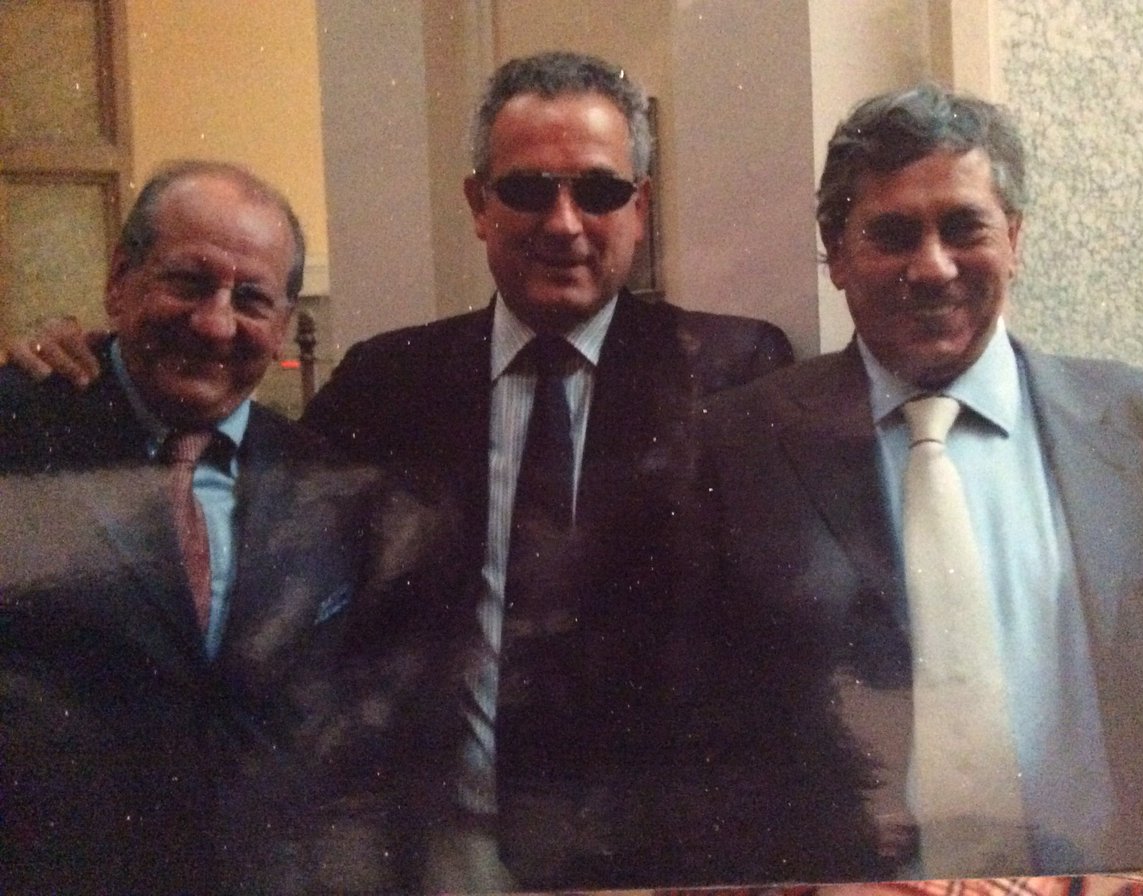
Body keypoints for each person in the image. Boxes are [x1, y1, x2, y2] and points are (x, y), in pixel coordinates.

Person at [5, 53, 794, 890]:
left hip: (661, 859)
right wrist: (82, 357)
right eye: (527, 189)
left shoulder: (731, 371)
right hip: (440, 856)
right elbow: (229, 485)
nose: (563, 223)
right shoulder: (385, 381)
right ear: (478, 205)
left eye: (598, 191)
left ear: (640, 205)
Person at [687, 83, 1143, 883]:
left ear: (1015, 237)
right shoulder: (734, 447)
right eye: (892, 235)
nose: (932, 267)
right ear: (836, 252)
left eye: (964, 227)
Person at [0, 161, 464, 893]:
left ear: (282, 321)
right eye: (188, 282)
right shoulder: (20, 431)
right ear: (119, 279)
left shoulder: (323, 481)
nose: (215, 323)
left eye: (251, 298)